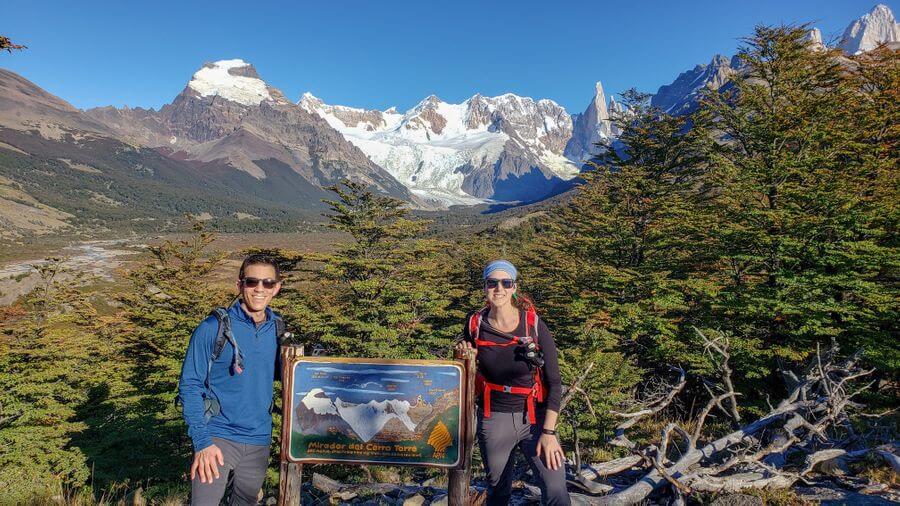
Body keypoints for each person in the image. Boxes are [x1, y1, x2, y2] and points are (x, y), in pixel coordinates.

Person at [458, 260, 570, 505]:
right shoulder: (475, 325)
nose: (499, 288)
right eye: (492, 283)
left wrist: (549, 433)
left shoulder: (534, 325)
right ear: (485, 287)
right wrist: (464, 353)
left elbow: (555, 383)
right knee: (498, 491)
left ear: (514, 287)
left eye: (505, 282)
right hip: (494, 415)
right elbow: (468, 363)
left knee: (555, 488)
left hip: (535, 419)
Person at [178, 254, 284, 505]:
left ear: (277, 288)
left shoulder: (277, 329)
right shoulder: (212, 328)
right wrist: (202, 442)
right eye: (252, 282)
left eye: (268, 283)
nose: (260, 289)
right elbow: (190, 385)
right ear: (239, 285)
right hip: (217, 438)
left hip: (259, 440)